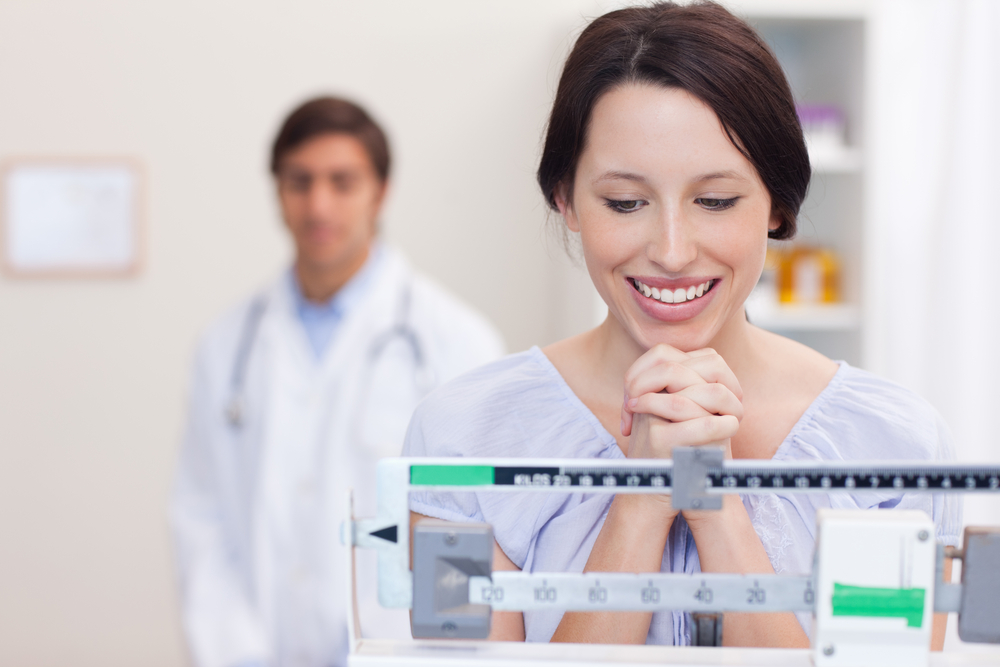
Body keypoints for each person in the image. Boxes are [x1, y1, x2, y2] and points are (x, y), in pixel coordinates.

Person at [404, 1, 960, 649]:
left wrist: (715, 503)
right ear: (565, 199)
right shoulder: (463, 439)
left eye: (715, 200)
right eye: (626, 201)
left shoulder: (890, 446)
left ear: (777, 204)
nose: (671, 250)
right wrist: (640, 499)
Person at [171, 96, 505, 667]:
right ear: (277, 191)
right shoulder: (226, 345)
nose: (318, 204)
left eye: (342, 181)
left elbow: (477, 529)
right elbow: (201, 518)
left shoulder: (457, 342)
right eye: (300, 181)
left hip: (403, 653)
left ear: (381, 191)